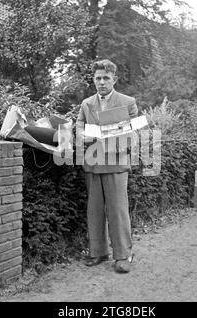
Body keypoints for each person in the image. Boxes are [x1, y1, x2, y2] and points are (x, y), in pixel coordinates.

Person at [76, 59, 138, 273]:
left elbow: (133, 133)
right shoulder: (86, 104)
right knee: (94, 211)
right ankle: (98, 251)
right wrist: (84, 135)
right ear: (93, 80)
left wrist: (103, 134)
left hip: (115, 164)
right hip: (93, 164)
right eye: (98, 78)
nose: (101, 82)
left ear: (114, 79)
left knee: (118, 211)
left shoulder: (128, 102)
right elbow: (78, 129)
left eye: (106, 78)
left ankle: (123, 255)